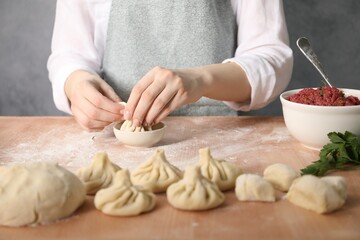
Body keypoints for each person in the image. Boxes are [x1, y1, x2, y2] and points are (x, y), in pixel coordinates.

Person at [47, 0, 293, 131]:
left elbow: (270, 57)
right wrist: (76, 82)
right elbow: (69, 54)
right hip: (115, 135)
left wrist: (201, 79)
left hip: (216, 136)